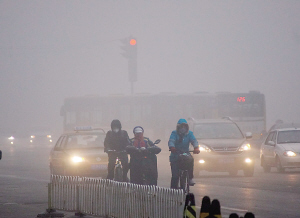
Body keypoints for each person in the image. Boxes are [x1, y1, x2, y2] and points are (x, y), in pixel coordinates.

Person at [168, 118, 200, 189]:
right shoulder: (174, 133)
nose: (183, 128)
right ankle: (173, 190)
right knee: (175, 176)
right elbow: (171, 141)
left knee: (191, 160)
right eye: (181, 127)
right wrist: (172, 147)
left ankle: (190, 178)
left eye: (184, 127)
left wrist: (196, 148)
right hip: (175, 155)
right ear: (178, 127)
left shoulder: (190, 134)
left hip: (186, 153)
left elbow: (194, 141)